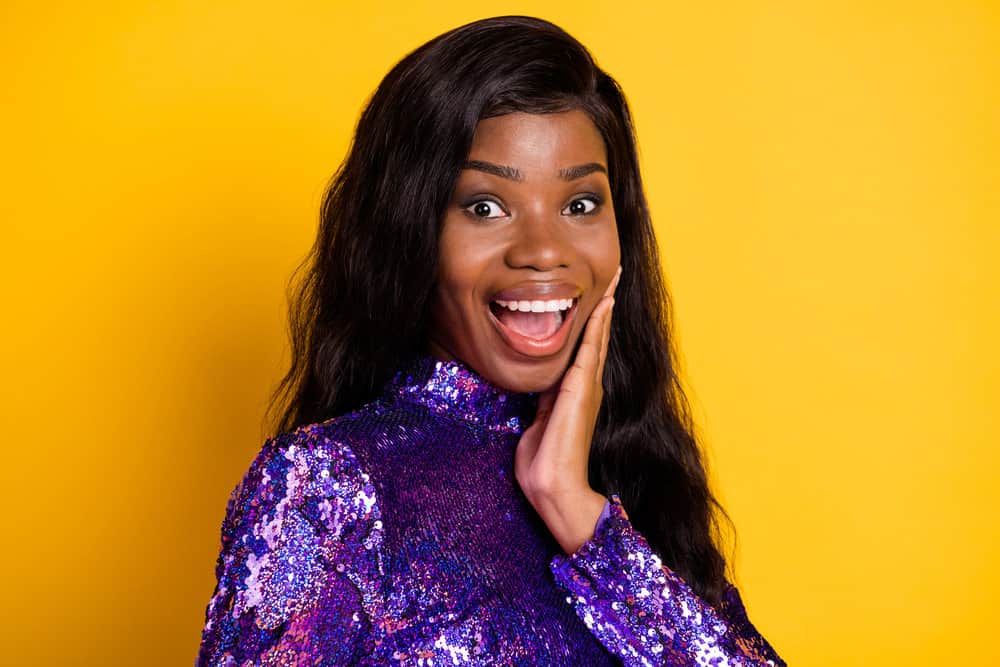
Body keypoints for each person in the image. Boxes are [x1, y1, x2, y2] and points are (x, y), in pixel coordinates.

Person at [196, 15, 785, 667]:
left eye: (581, 204)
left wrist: (579, 513)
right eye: (485, 206)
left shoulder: (630, 475)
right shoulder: (328, 486)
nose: (543, 251)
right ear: (410, 232)